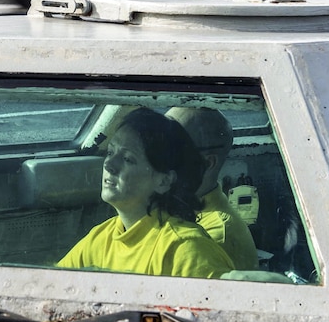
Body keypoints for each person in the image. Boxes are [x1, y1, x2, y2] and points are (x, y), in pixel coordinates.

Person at [57, 107, 235, 278]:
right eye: (110, 152)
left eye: (127, 159)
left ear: (164, 181)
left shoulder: (185, 249)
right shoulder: (102, 236)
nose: (109, 164)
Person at [165, 106, 259, 270]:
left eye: (170, 150)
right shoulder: (178, 206)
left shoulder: (214, 236)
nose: (154, 157)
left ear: (207, 163)